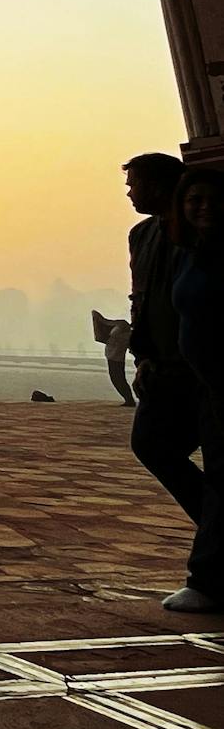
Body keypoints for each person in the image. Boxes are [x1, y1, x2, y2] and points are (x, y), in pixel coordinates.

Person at [122, 152, 219, 611]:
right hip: (165, 368)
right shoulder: (144, 236)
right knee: (152, 444)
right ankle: (216, 532)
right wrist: (143, 354)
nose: (129, 192)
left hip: (207, 375)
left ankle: (211, 571)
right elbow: (144, 302)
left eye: (135, 183)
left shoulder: (201, 240)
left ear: (162, 186)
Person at [163, 165, 224, 612]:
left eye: (213, 200)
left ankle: (208, 579)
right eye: (194, 200)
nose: (203, 208)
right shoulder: (192, 251)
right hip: (206, 383)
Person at [91, 308, 135, 406]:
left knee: (118, 379)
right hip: (113, 355)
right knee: (116, 378)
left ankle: (129, 399)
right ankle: (128, 399)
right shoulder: (120, 326)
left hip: (117, 356)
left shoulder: (124, 328)